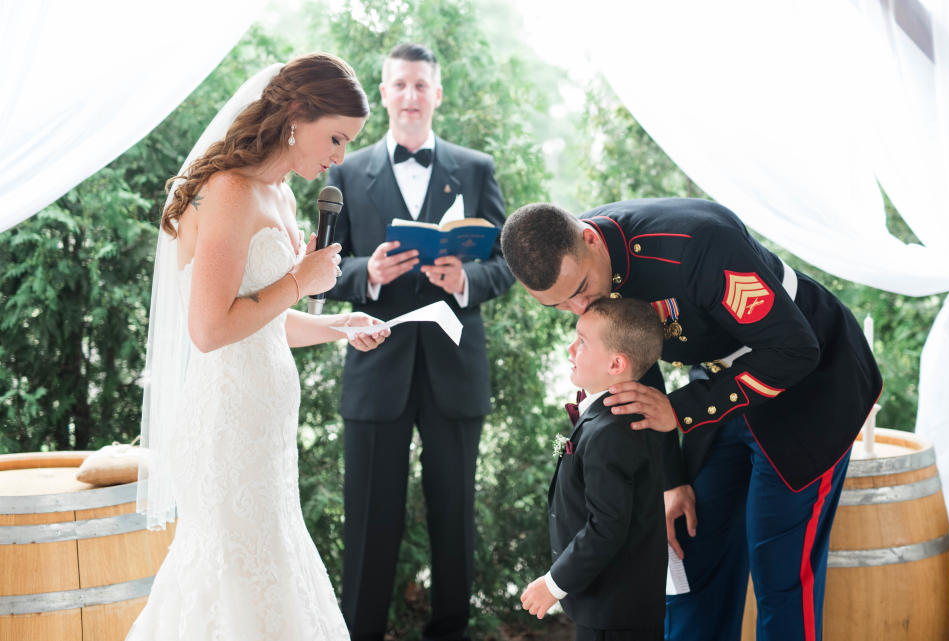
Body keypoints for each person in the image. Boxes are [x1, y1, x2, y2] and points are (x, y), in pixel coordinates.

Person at [501, 199, 883, 641]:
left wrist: (681, 411)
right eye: (560, 305)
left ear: (588, 237)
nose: (581, 306)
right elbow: (635, 367)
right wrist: (670, 477)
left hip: (808, 384)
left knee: (780, 569)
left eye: (581, 288)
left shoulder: (696, 245)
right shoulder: (583, 263)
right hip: (717, 384)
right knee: (692, 556)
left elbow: (794, 350)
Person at [131, 54, 390, 641]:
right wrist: (302, 280)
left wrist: (337, 325)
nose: (338, 158)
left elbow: (265, 321)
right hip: (225, 427)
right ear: (297, 114)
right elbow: (210, 329)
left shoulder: (282, 196)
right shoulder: (228, 190)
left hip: (266, 432)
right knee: (228, 582)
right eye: (335, 138)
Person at [323, 43, 514, 641]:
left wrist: (467, 280)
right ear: (383, 92)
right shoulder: (346, 172)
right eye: (399, 85)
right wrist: (367, 276)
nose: (410, 97)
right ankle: (360, 632)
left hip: (455, 369)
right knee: (370, 520)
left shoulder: (475, 168)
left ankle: (450, 633)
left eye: (420, 86)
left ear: (437, 93)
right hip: (376, 366)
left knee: (453, 517)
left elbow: (510, 260)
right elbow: (323, 267)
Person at [521, 297, 667, 641]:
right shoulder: (608, 416)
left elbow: (606, 526)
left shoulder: (612, 430)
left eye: (583, 342)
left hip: (614, 611)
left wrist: (554, 584)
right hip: (607, 602)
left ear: (616, 364)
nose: (571, 348)